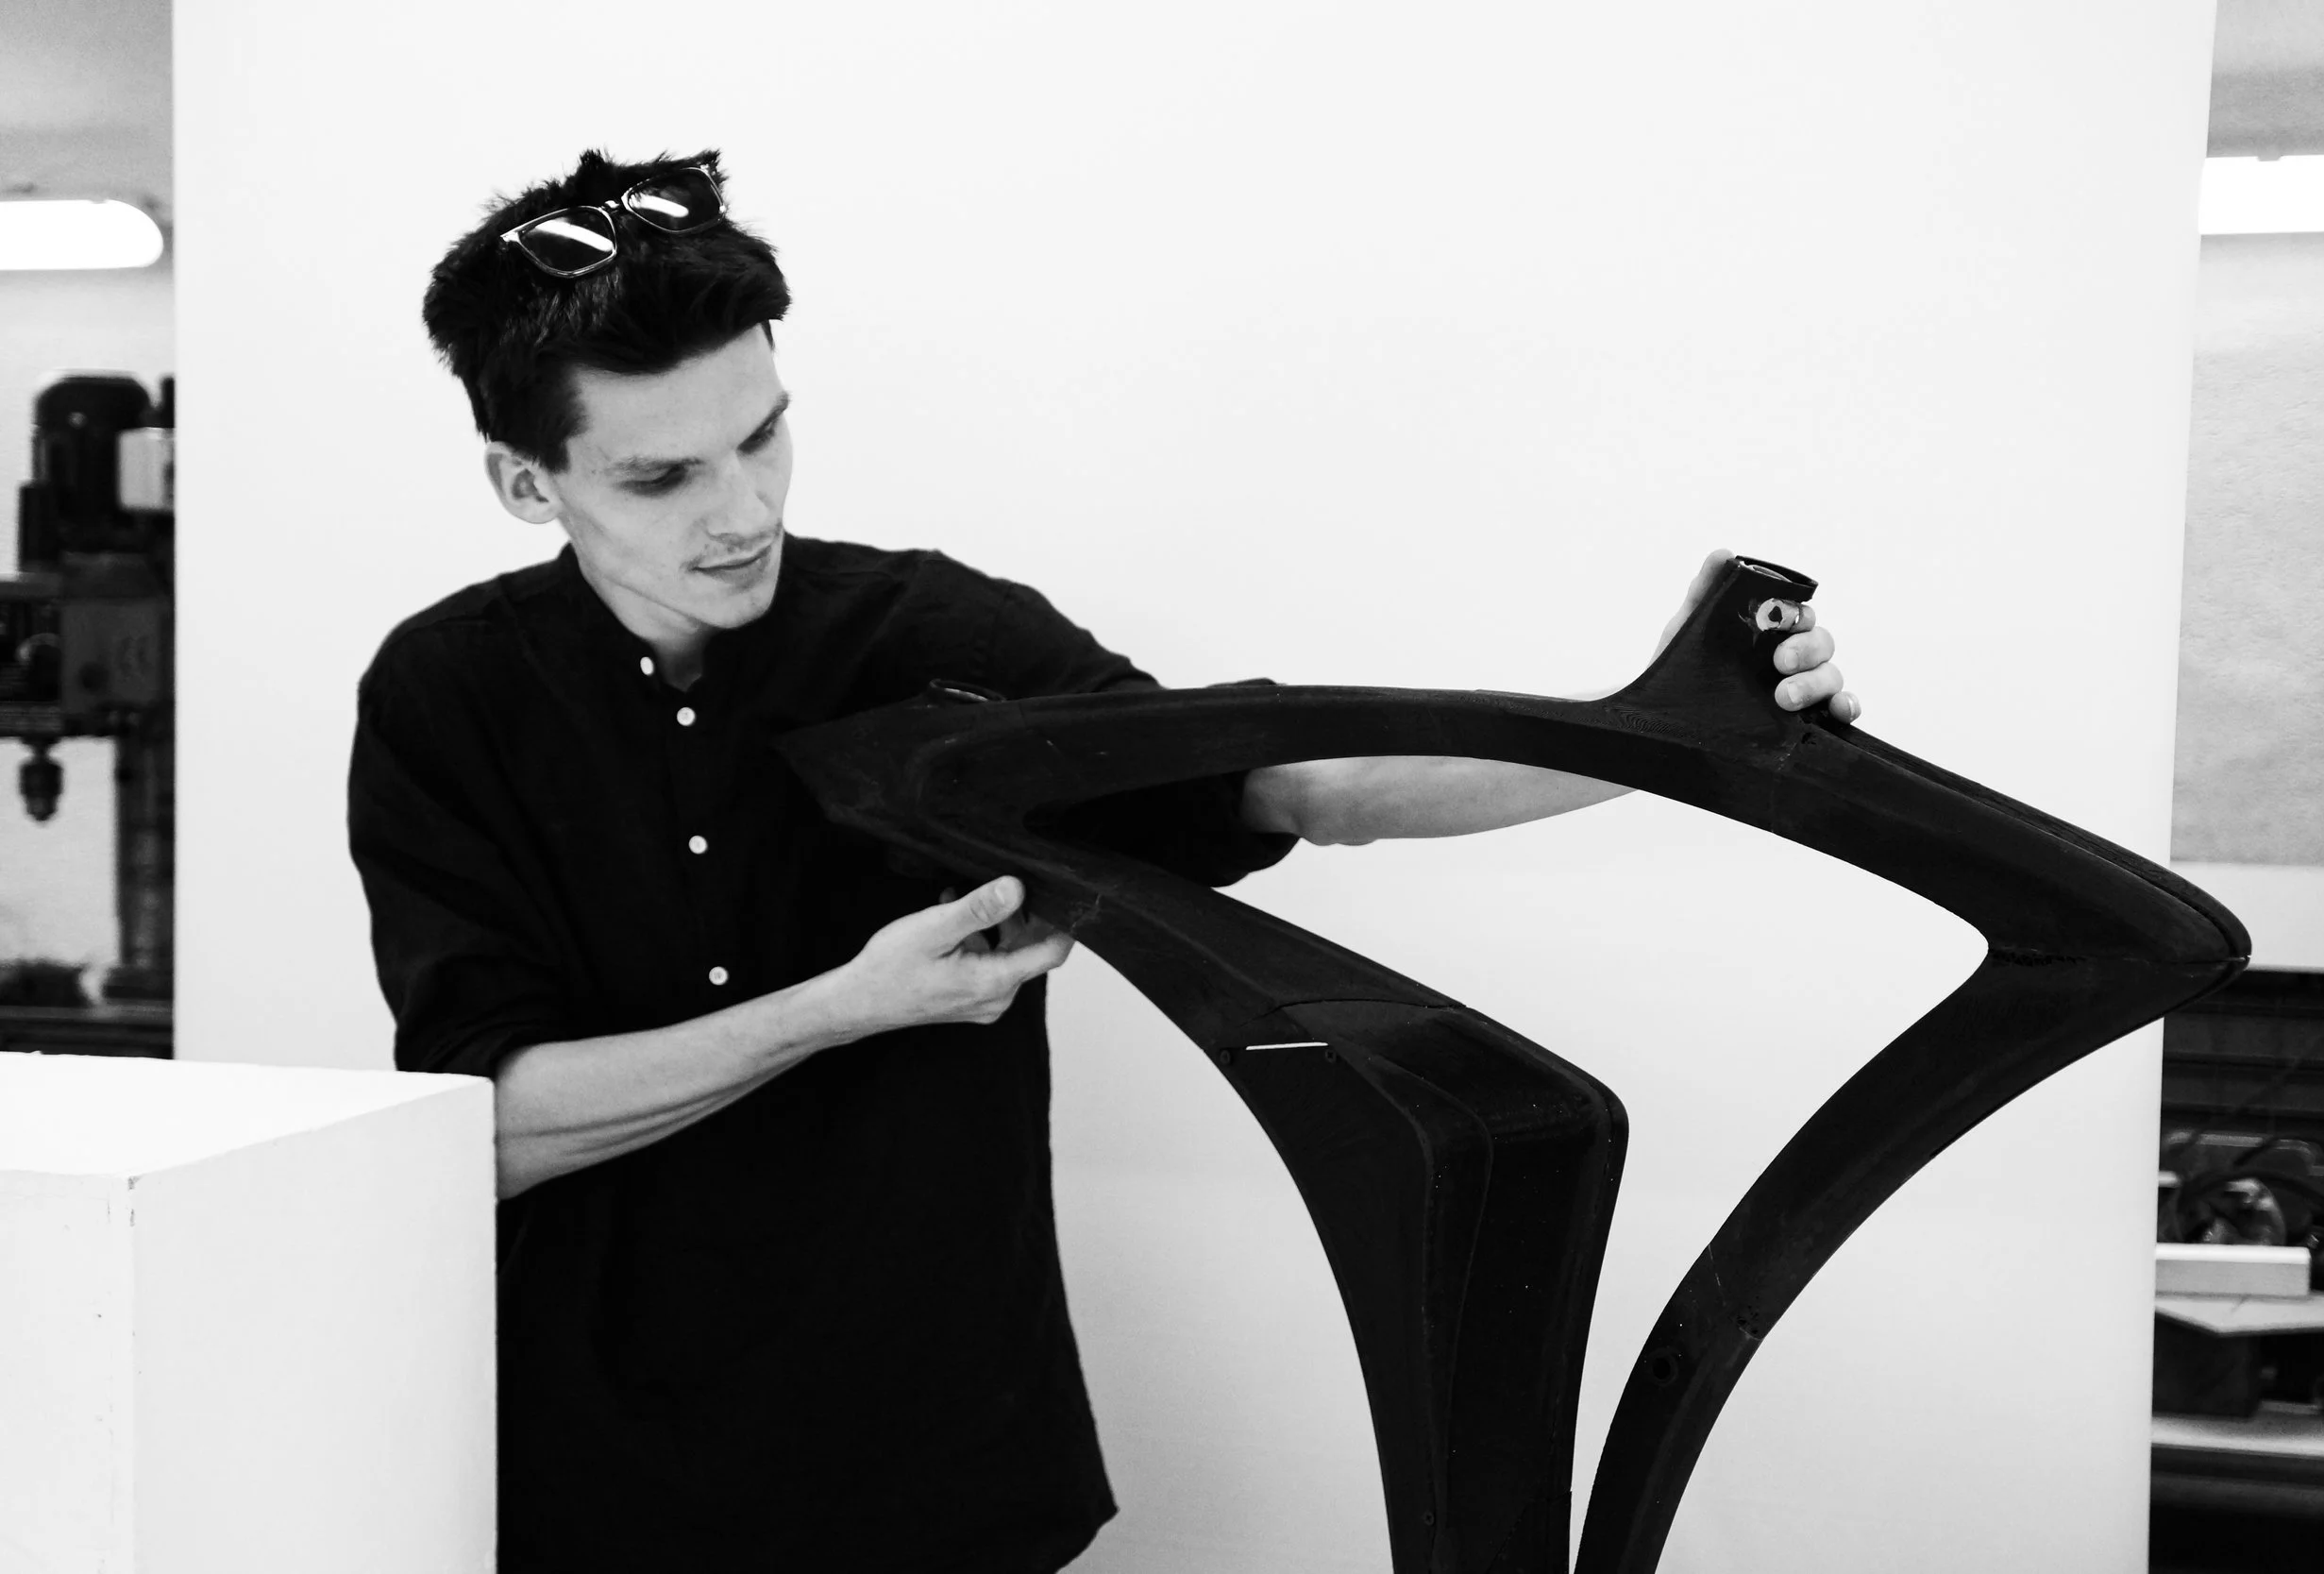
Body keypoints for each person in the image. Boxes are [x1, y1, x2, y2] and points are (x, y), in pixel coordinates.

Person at [348, 148, 1858, 1573]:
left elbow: (1300, 782)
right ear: (525, 482)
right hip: (588, 1487)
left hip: (934, 1468)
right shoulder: (446, 698)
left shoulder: (933, 639)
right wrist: (846, 1005)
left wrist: (1667, 737)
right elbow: (486, 1128)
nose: (744, 512)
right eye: (664, 479)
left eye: (763, 434)